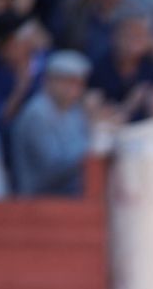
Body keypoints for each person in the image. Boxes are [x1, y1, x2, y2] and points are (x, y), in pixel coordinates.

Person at [11, 50, 94, 196]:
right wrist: (93, 141)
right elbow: (53, 168)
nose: (73, 89)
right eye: (67, 81)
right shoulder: (37, 113)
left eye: (78, 83)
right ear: (48, 80)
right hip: (39, 202)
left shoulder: (74, 111)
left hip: (68, 197)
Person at [88, 10, 153, 125]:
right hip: (107, 128)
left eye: (142, 35)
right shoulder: (101, 64)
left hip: (141, 129)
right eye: (131, 34)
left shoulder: (151, 65)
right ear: (115, 36)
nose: (137, 40)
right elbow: (95, 105)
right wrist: (129, 105)